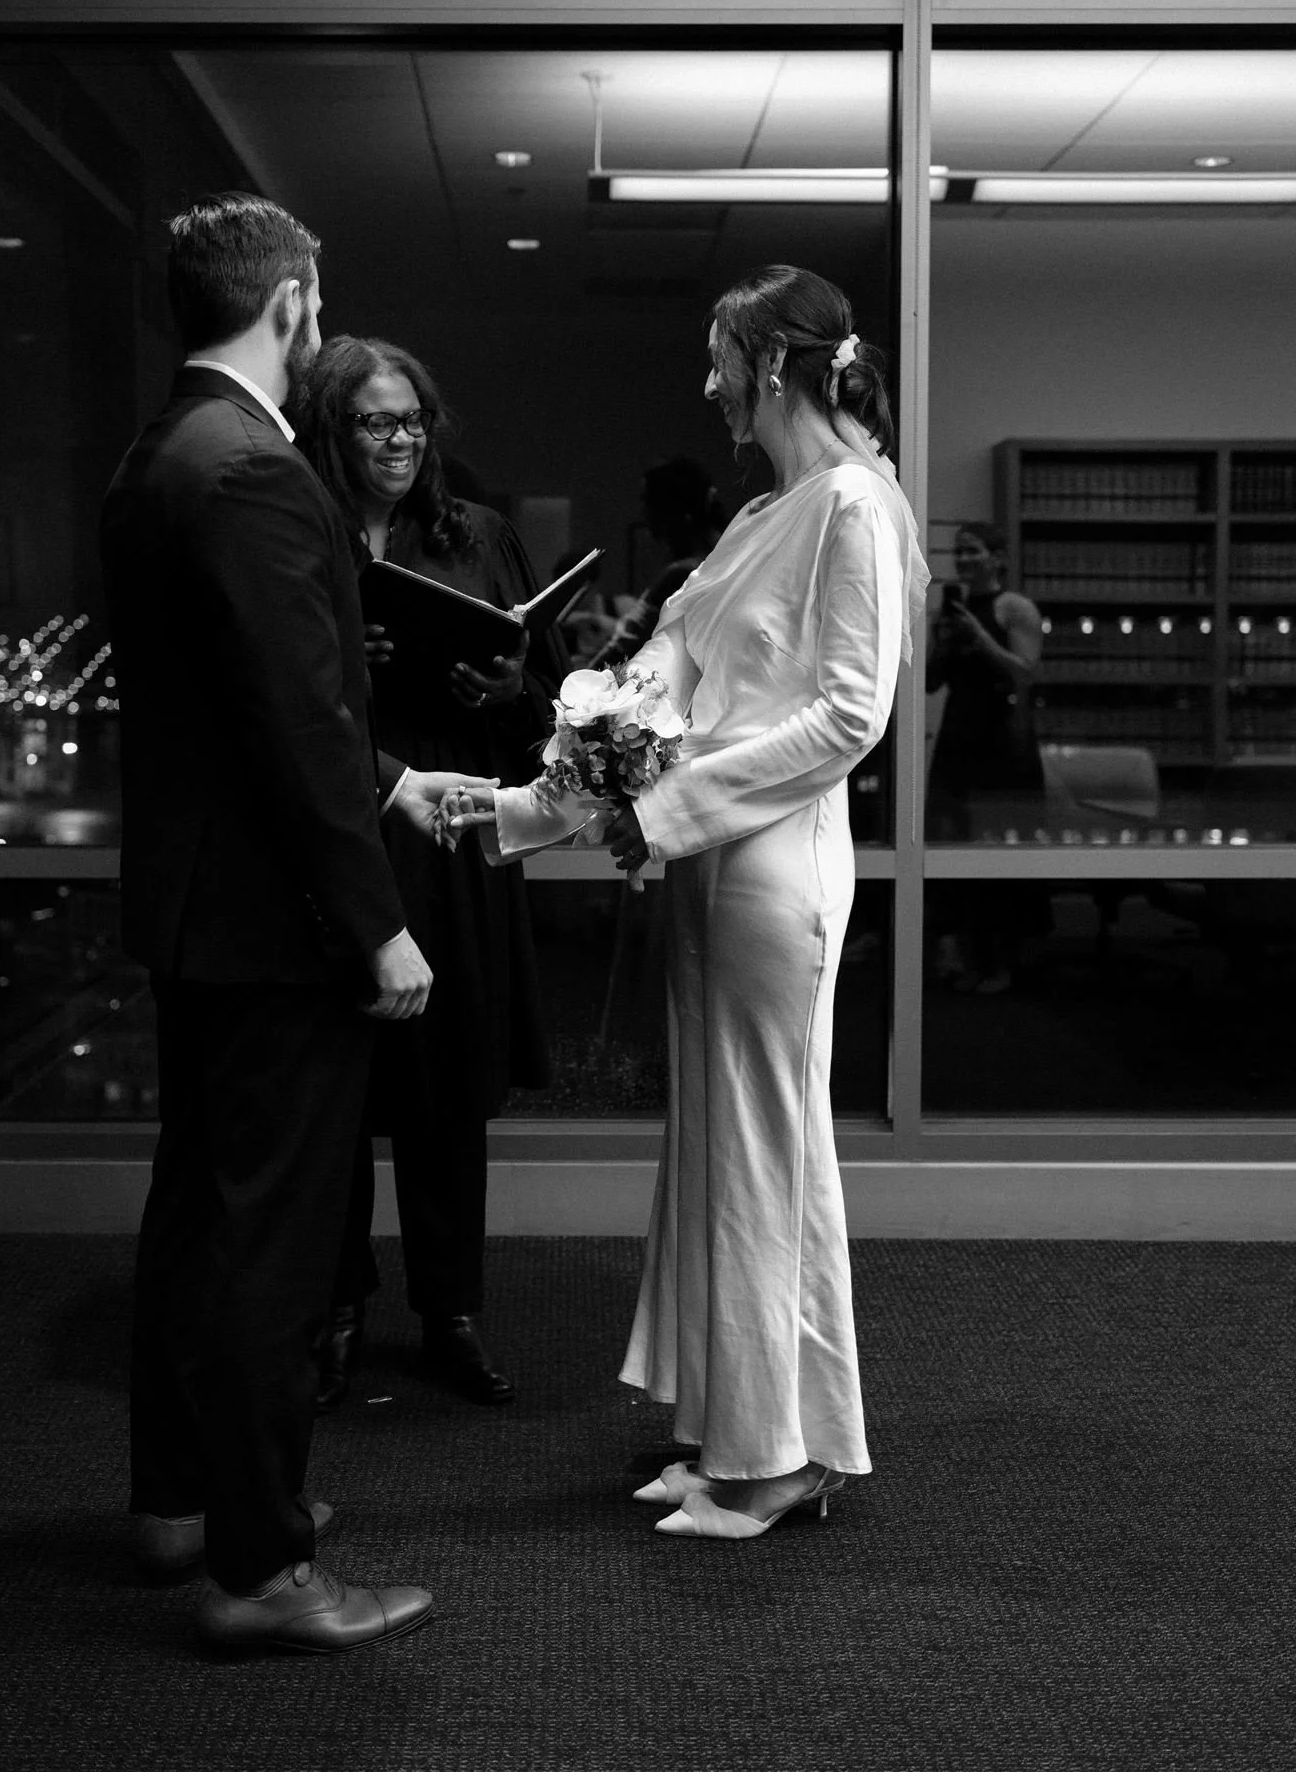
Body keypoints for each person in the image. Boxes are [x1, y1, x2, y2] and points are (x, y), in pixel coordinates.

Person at [451, 265, 928, 1541]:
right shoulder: (761, 514)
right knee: (718, 1158)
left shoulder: (853, 508)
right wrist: (517, 808)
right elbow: (662, 682)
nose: (706, 381)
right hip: (715, 873)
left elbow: (844, 720)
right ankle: (734, 1433)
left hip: (770, 876)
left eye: (717, 357)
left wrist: (658, 811)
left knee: (768, 1158)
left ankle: (780, 1461)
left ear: (771, 363)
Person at [99, 192, 487, 1656]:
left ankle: (181, 1506)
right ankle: (261, 1572)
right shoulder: (255, 469)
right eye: (316, 300)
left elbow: (238, 701)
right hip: (276, 934)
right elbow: (291, 721)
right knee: (272, 1248)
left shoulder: (160, 455)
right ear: (289, 302)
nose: (319, 320)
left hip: (200, 919)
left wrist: (396, 778)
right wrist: (377, 925)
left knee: (199, 1217)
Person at [295, 336, 565, 1409]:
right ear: (332, 428)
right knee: (340, 1087)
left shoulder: (477, 535)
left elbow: (547, 696)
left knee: (449, 1091)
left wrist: (504, 688)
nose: (400, 438)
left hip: (454, 840)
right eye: (373, 420)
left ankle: (450, 1309)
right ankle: (342, 1303)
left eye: (412, 420)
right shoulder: (301, 533)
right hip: (343, 840)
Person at [925, 523, 1047, 992]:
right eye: (960, 552)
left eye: (974, 551)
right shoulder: (949, 613)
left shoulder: (1014, 607)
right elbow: (933, 682)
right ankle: (965, 956)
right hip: (960, 734)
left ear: (997, 557)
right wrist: (946, 640)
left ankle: (1005, 963)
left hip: (1004, 739)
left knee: (1002, 845)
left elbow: (1025, 673)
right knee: (954, 841)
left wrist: (981, 637)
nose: (966, 560)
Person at [592, 457, 727, 668]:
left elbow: (625, 646)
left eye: (647, 501)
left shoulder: (682, 573)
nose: (642, 513)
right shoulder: (728, 553)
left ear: (669, 506)